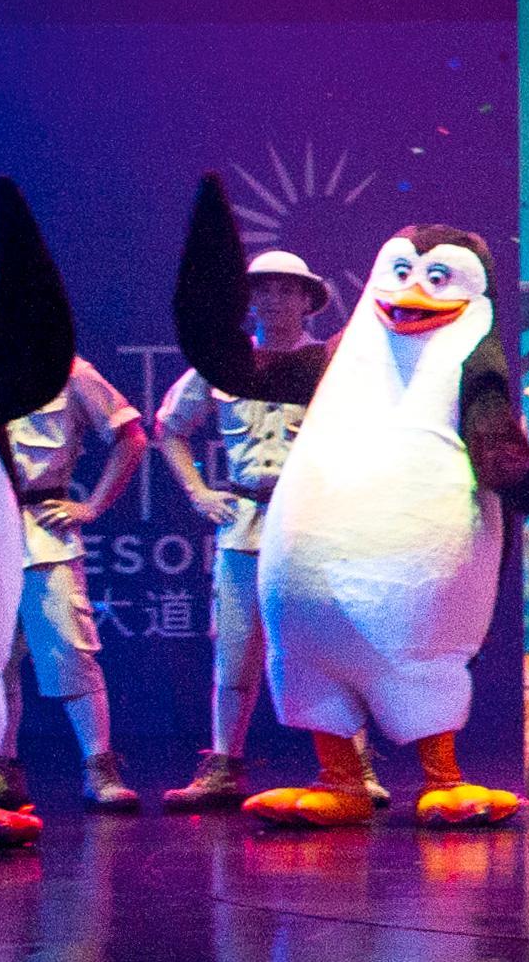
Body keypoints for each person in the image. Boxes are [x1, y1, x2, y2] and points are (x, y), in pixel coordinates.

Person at [0, 268, 144, 813]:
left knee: (69, 647)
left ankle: (99, 766)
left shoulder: (68, 371)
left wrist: (92, 504)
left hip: (44, 530)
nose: (1, 313)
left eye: (11, 301)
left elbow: (131, 435)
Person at [148, 251, 327, 811]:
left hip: (312, 523)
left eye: (286, 289)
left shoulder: (331, 365)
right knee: (235, 644)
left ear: (307, 300)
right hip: (245, 521)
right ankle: (225, 763)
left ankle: (351, 767)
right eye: (263, 289)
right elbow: (168, 428)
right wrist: (199, 491)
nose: (273, 299)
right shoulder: (225, 364)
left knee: (324, 643)